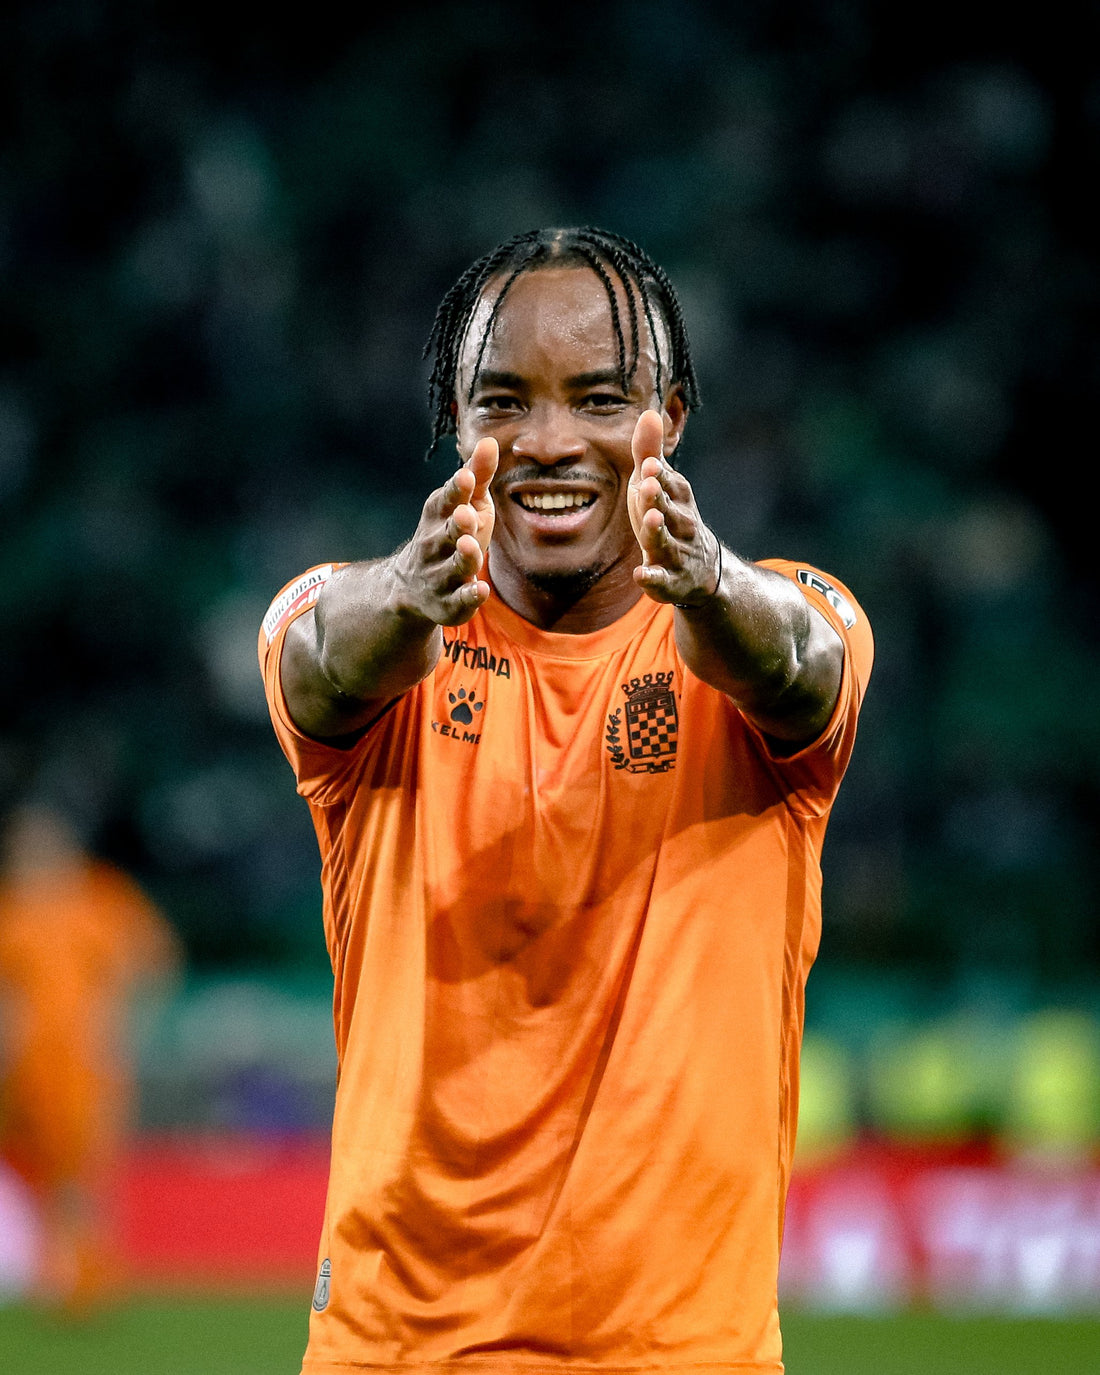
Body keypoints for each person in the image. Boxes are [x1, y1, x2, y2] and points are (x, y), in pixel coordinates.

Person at [258, 226, 873, 1375]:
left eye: (598, 399)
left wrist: (704, 584)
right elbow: (316, 663)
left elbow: (796, 667)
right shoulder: (369, 627)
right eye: (502, 401)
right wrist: (407, 590)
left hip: (678, 1352)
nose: (547, 442)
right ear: (454, 419)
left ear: (669, 419)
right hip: (395, 1350)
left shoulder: (780, 618)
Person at [0, 800, 182, 1315]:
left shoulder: (99, 898)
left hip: (86, 1060)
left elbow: (151, 960)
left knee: (87, 1166)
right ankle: (61, 1268)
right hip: (29, 1064)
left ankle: (89, 1274)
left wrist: (122, 1024)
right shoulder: (13, 908)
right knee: (47, 1168)